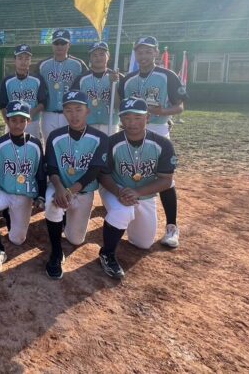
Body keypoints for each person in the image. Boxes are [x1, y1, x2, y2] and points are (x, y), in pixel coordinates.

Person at [97, 98, 178, 278]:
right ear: (121, 119)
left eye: (137, 117)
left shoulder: (162, 144)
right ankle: (107, 253)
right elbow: (103, 175)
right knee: (122, 211)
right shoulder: (111, 142)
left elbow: (166, 181)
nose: (132, 122)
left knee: (143, 243)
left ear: (147, 117)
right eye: (127, 118)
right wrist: (119, 192)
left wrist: (138, 192)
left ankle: (121, 223)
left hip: (145, 193)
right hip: (115, 188)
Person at [119, 36, 187, 248]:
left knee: (164, 177)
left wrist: (162, 111)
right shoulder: (128, 79)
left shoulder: (167, 76)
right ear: (135, 54)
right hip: (131, 130)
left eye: (148, 51)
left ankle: (172, 227)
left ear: (156, 53)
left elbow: (180, 106)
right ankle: (131, 216)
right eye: (140, 52)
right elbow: (120, 104)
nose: (144, 56)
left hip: (157, 128)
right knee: (132, 171)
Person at [43, 90, 109, 280]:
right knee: (52, 203)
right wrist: (60, 189)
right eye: (68, 110)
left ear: (87, 111)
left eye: (78, 109)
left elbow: (94, 170)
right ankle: (56, 253)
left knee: (76, 239)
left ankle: (65, 220)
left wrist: (71, 191)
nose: (74, 115)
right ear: (63, 112)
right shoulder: (55, 136)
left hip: (83, 191)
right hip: (60, 186)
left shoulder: (100, 137)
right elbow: (52, 168)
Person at [0, 100, 46, 274]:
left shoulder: (35, 144)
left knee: (17, 239)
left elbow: (40, 173)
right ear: (7, 120)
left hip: (24, 194)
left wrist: (41, 195)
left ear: (28, 121)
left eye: (22, 120)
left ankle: (9, 214)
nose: (17, 124)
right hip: (2, 191)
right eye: (13, 120)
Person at [38, 30, 88, 141]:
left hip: (71, 113)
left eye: (63, 43)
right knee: (49, 144)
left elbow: (86, 86)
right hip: (48, 114)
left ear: (69, 45)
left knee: (71, 144)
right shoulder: (42, 65)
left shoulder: (79, 64)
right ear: (52, 45)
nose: (59, 46)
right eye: (56, 43)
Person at [71, 41, 123, 135]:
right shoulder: (81, 79)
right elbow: (74, 104)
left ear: (108, 56)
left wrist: (113, 84)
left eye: (102, 54)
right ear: (90, 58)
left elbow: (119, 106)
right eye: (94, 55)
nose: (98, 58)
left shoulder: (118, 77)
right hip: (87, 124)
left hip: (110, 125)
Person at [0, 44, 48, 140]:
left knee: (33, 146)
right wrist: (8, 123)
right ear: (15, 60)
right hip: (12, 122)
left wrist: (33, 112)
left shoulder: (37, 79)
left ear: (30, 61)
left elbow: (43, 102)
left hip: (32, 122)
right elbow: (2, 105)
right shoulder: (7, 81)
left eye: (27, 58)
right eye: (20, 58)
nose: (23, 61)